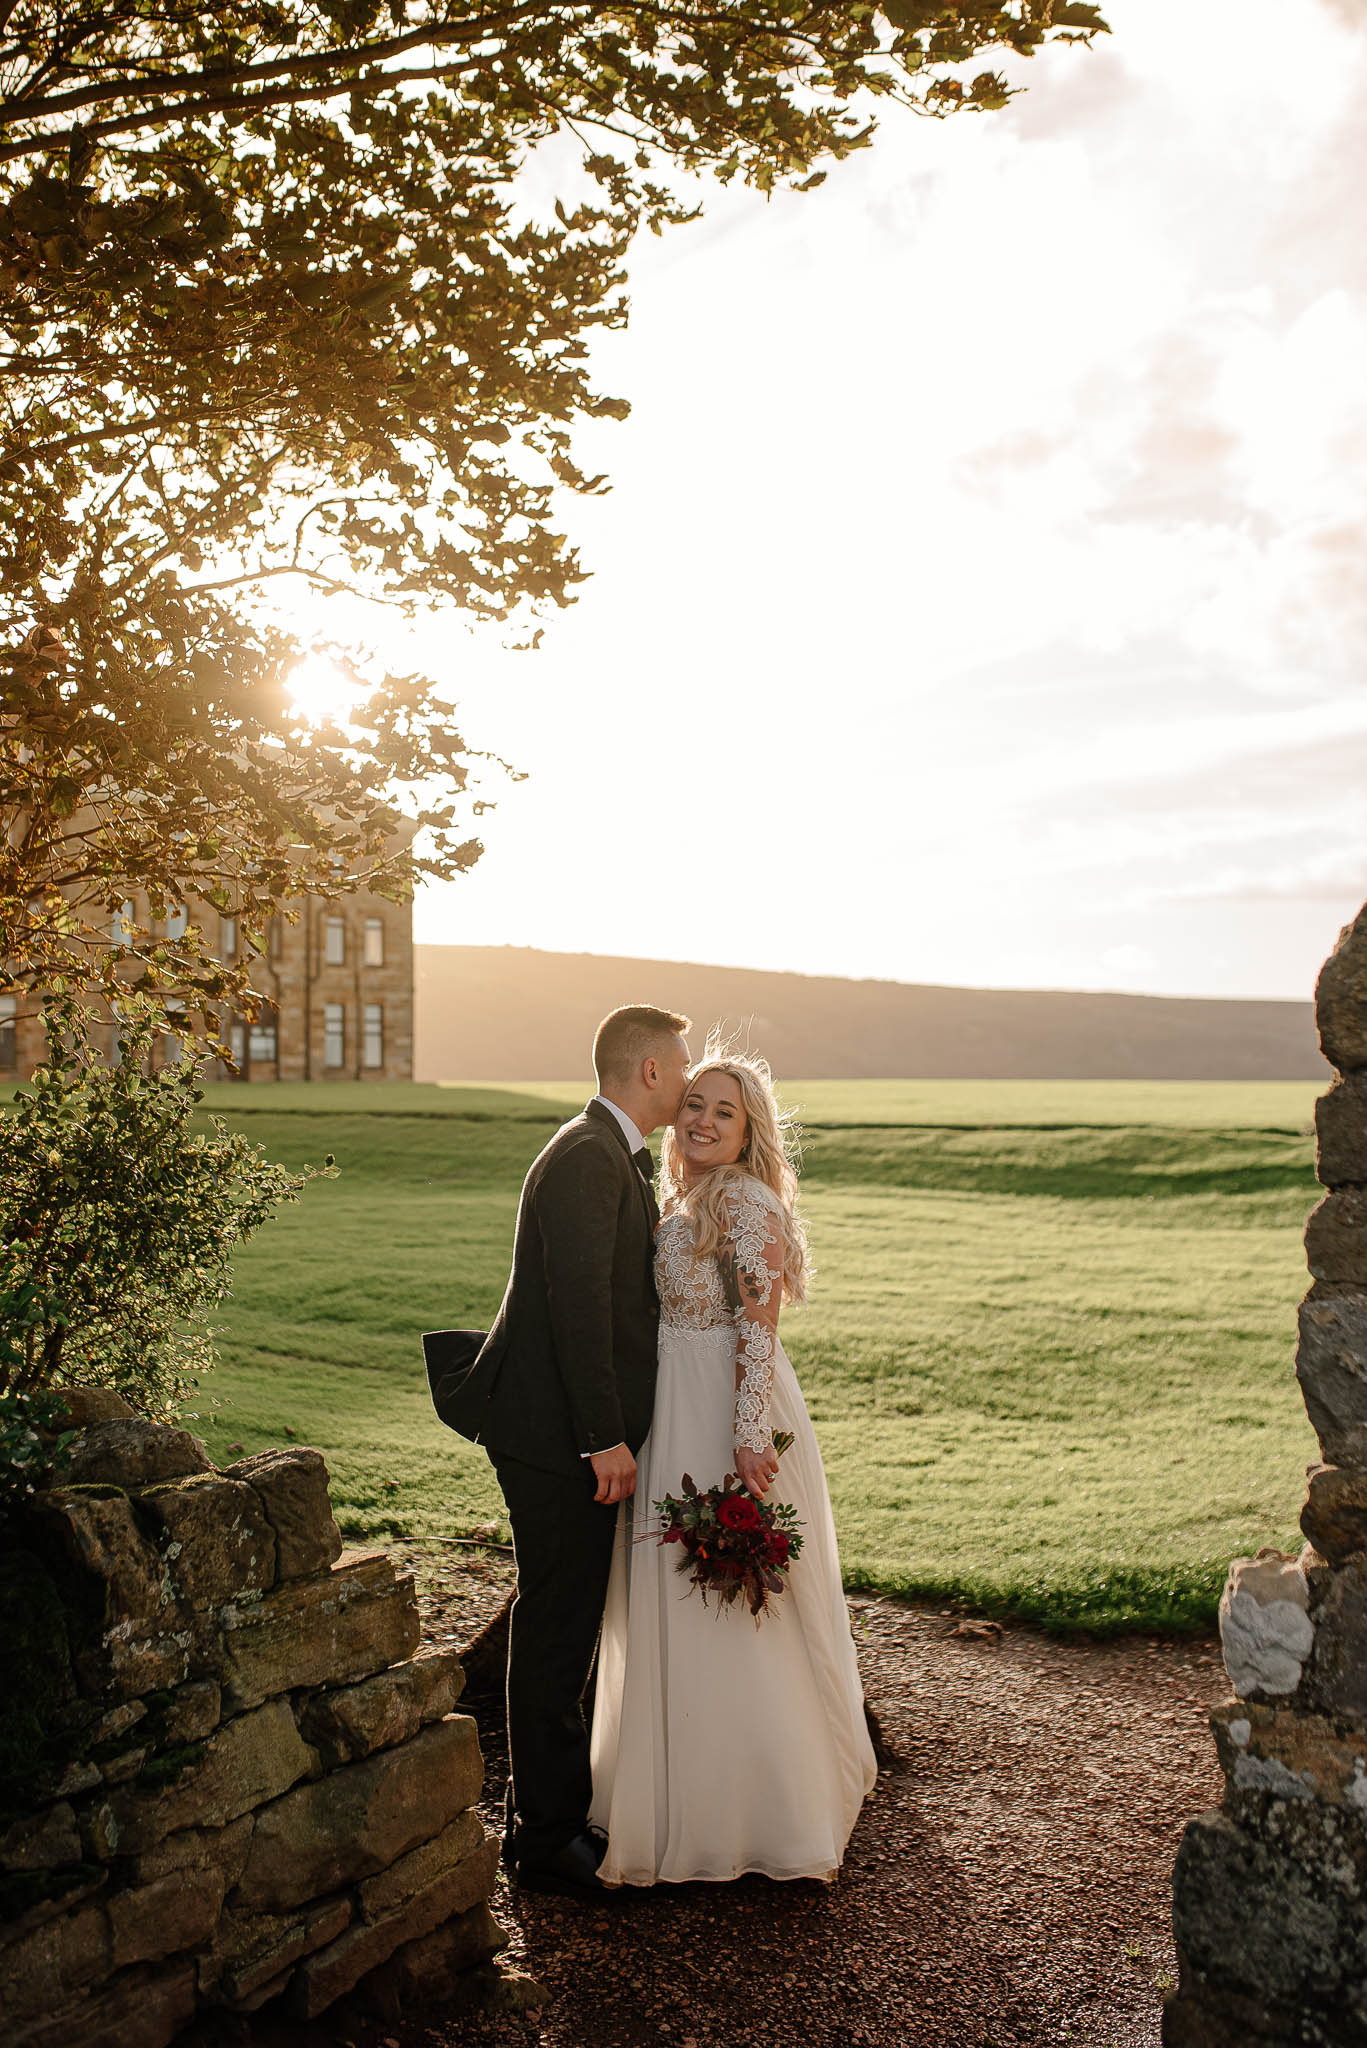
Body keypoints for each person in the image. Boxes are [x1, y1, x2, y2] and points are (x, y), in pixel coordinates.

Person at [589, 1046, 877, 1885]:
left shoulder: (746, 1202)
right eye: (695, 1105)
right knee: (674, 1594)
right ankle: (672, 1795)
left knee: (730, 1599)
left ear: (751, 1131)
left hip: (725, 1409)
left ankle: (761, 1810)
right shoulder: (680, 1196)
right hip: (671, 1406)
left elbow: (759, 1324)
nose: (703, 1121)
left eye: (725, 1111)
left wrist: (746, 1434)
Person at [435, 1004, 691, 1896]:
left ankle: (544, 1821)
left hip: (560, 1435)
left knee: (562, 1621)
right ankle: (543, 1841)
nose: (690, 1078)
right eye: (680, 1063)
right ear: (649, 1070)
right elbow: (580, 1311)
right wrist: (604, 1441)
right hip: (555, 1441)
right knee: (555, 1630)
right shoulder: (587, 1158)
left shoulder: (603, 1149)